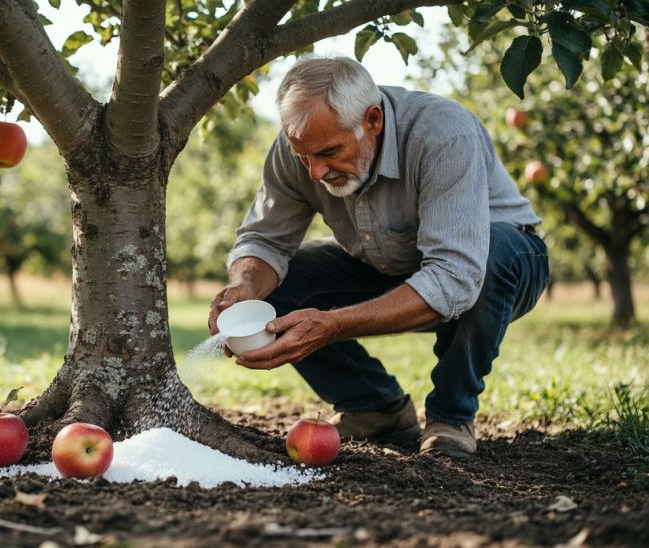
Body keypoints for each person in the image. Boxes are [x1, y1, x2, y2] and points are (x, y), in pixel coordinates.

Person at [208, 55, 550, 459]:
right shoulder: (299, 147)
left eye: (329, 152)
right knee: (283, 284)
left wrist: (331, 325)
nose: (315, 172)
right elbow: (265, 241)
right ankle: (375, 408)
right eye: (305, 157)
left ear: (373, 120)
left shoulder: (442, 133)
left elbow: (456, 275)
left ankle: (451, 416)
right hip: (387, 265)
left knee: (487, 254)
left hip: (502, 266)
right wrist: (245, 286)